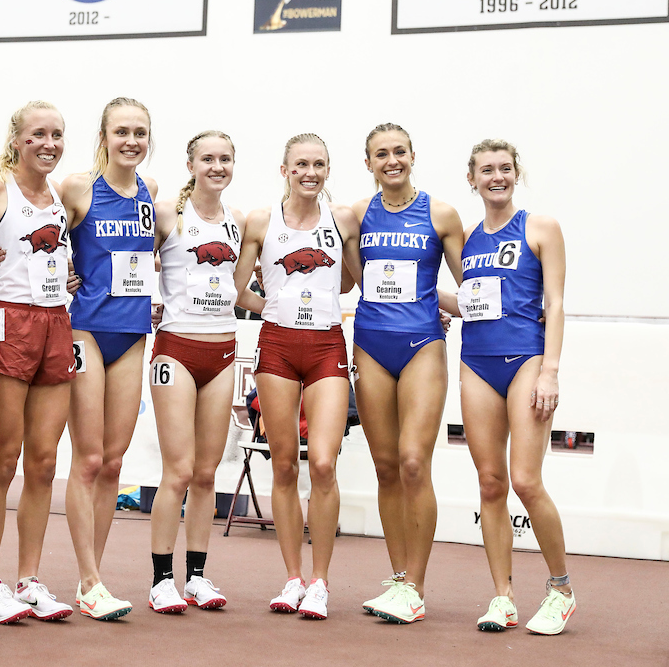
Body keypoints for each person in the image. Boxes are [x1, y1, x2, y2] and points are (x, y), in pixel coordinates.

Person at [232, 133, 361, 620]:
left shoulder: (342, 217)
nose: (311, 172)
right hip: (278, 347)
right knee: (283, 464)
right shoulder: (262, 220)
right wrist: (272, 308)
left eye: (320, 164)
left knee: (324, 463)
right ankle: (292, 578)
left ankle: (321, 582)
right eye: (301, 164)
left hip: (327, 343)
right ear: (284, 170)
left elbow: (354, 279)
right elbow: (235, 288)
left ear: (328, 170)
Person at [457, 140, 574, 635]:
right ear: (473, 179)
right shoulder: (466, 237)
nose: (497, 176)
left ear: (516, 173)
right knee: (490, 483)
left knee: (525, 480)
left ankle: (561, 589)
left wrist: (550, 369)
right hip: (476, 363)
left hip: (526, 359)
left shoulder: (540, 227)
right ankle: (503, 597)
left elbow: (557, 302)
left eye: (505, 168)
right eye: (487, 170)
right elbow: (469, 301)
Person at [0, 102, 79, 624]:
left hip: (56, 321)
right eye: (38, 134)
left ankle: (29, 578)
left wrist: (68, 274)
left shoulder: (64, 195)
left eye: (57, 135)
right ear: (16, 139)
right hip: (8, 320)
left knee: (43, 461)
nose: (49, 144)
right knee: (3, 458)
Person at [353, 123, 464, 624]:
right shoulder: (357, 214)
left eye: (399, 152)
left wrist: (530, 307)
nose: (391, 160)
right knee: (385, 466)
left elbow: (472, 283)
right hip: (372, 345)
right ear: (369, 162)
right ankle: (398, 580)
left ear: (413, 156)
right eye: (382, 154)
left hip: (421, 344)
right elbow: (349, 277)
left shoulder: (440, 214)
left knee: (414, 462)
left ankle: (416, 586)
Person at [59, 97, 158, 620]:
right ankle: (91, 578)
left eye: (140, 133)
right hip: (86, 330)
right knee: (89, 459)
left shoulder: (151, 192)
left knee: (115, 463)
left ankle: (88, 581)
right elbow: (34, 224)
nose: (131, 141)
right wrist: (60, 271)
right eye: (121, 132)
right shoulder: (77, 187)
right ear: (103, 136)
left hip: (133, 333)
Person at [146, 131, 243, 614]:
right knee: (178, 471)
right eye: (208, 158)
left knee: (206, 473)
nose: (217, 166)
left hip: (224, 351)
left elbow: (250, 287)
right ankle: (162, 579)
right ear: (191, 163)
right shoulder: (166, 213)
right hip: (176, 352)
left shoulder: (240, 222)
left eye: (225, 159)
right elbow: (112, 253)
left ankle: (198, 576)